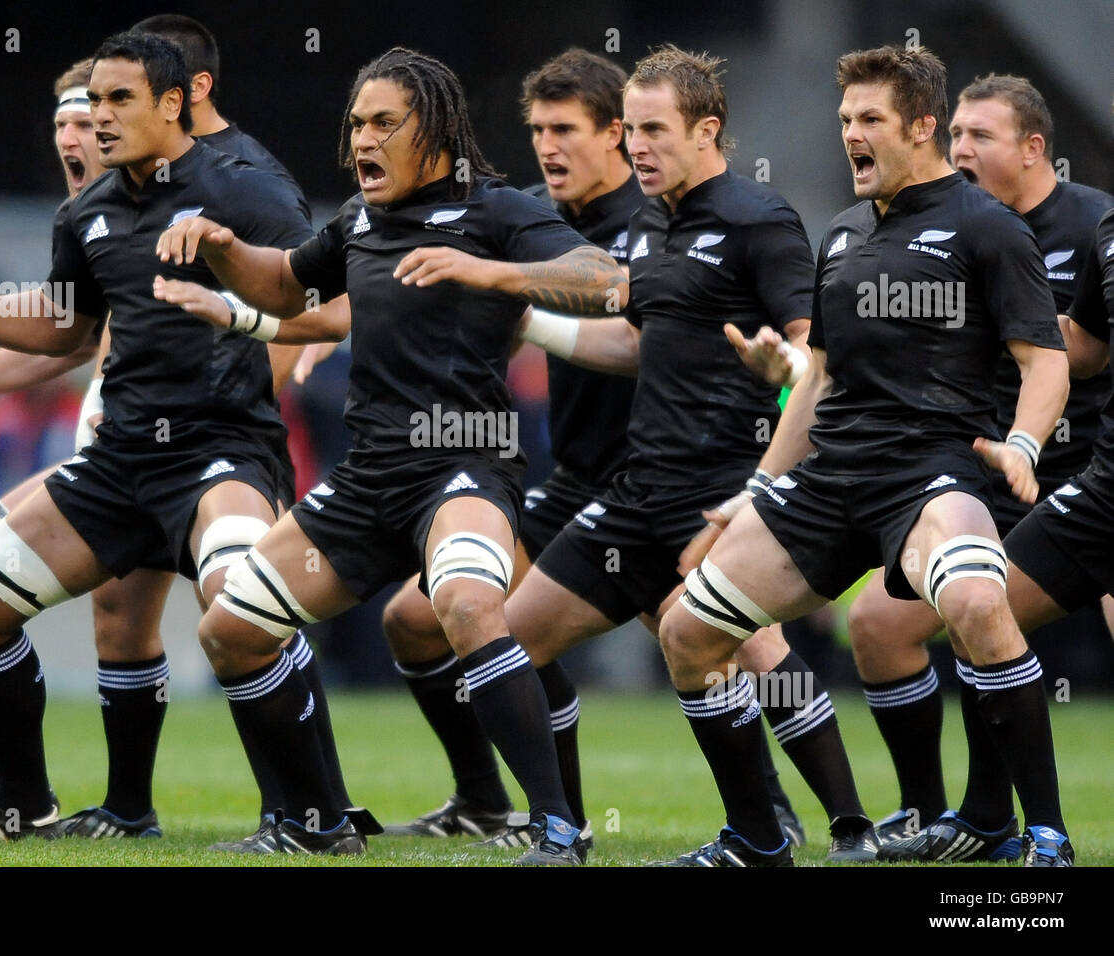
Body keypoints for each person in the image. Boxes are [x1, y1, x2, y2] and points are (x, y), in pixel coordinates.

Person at [155, 46, 626, 863]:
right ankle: (320, 823)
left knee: (469, 607)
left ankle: (558, 829)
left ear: (435, 131)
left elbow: (605, 278)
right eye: (356, 124)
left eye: (382, 123)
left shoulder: (498, 209)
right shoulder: (359, 222)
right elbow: (286, 285)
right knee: (230, 627)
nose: (362, 140)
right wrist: (222, 246)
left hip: (463, 465)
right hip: (370, 477)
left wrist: (492, 274)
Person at [0, 32, 337, 843]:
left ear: (173, 102)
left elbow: (323, 299)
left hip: (221, 449)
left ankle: (314, 817)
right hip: (120, 457)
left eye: (119, 101)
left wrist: (260, 325)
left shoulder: (245, 185)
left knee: (240, 612)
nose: (98, 119)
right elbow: (70, 329)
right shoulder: (90, 209)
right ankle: (25, 804)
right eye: (93, 103)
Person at [381, 47, 817, 853]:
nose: (549, 147)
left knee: (744, 646)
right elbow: (616, 336)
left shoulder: (702, 220)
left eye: (568, 130)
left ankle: (821, 818)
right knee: (448, 623)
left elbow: (794, 352)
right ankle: (529, 812)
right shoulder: (613, 227)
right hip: (599, 483)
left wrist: (777, 398)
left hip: (696, 482)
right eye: (537, 129)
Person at [655, 44, 1072, 867]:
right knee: (686, 633)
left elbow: (1045, 358)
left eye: (869, 119)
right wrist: (760, 486)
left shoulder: (989, 228)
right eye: (845, 118)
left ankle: (1046, 838)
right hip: (827, 480)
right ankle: (757, 839)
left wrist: (1024, 441)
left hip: (927, 473)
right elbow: (821, 378)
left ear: (921, 128)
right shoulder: (841, 235)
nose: (850, 133)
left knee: (982, 608)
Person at [844, 74, 1113, 856]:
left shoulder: (1093, 222)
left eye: (979, 137)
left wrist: (1031, 334)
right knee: (885, 623)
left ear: (1035, 150)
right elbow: (1087, 344)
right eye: (953, 133)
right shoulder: (949, 232)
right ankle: (950, 817)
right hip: (993, 481)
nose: (959, 150)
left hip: (1082, 474)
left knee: (981, 616)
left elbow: (1079, 357)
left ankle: (998, 820)